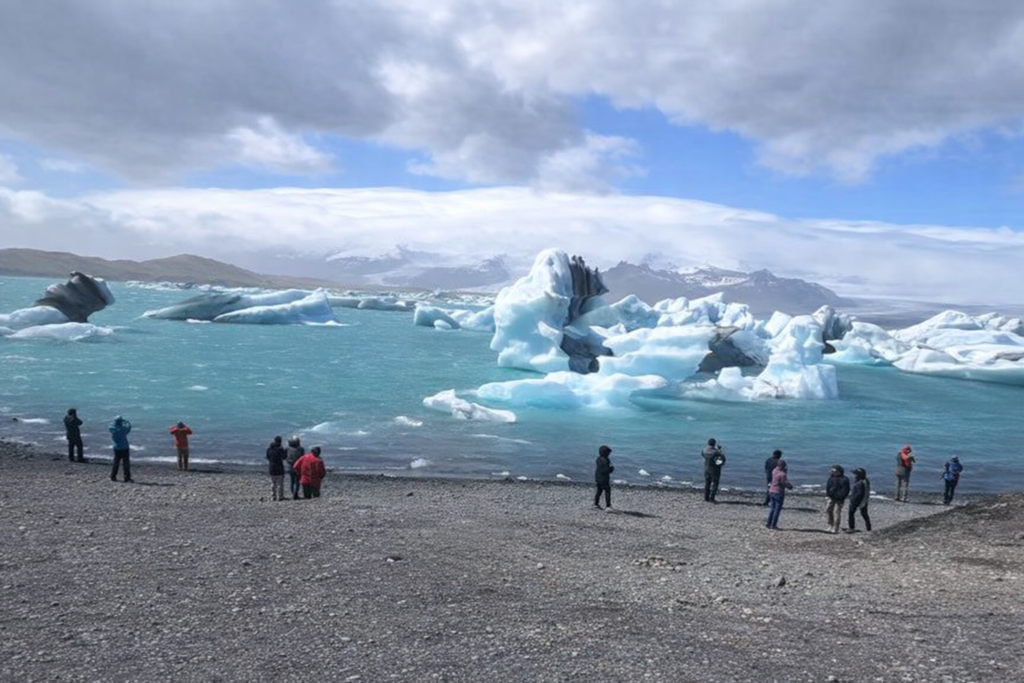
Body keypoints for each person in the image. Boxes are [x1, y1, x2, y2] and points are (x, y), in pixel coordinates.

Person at [765, 459, 793, 530]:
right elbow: (784, 483)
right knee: (777, 509)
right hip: (778, 492)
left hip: (771, 490)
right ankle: (773, 525)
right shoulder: (782, 474)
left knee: (772, 508)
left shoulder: (774, 471)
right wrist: (790, 486)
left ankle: (769, 523)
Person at [824, 465, 851, 534]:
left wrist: (841, 497)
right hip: (831, 497)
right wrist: (828, 494)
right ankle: (830, 525)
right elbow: (828, 486)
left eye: (834, 471)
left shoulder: (844, 479)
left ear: (839, 472)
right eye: (832, 471)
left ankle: (835, 528)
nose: (832, 472)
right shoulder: (831, 478)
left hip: (839, 499)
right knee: (828, 510)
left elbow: (846, 490)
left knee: (837, 512)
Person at [847, 467, 872, 532]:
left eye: (855, 474)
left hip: (858, 501)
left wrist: (853, 501)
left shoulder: (860, 483)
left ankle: (851, 528)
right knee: (864, 514)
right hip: (864, 500)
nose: (854, 475)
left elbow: (859, 494)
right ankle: (868, 527)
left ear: (859, 475)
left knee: (851, 513)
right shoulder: (865, 481)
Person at [109, 415, 132, 483]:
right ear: (121, 422)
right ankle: (126, 477)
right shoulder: (123, 429)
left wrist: (116, 422)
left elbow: (110, 425)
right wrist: (126, 422)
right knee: (126, 463)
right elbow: (129, 427)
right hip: (124, 447)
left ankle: (113, 476)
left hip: (116, 447)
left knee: (116, 462)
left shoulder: (112, 428)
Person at [701, 438, 726, 503]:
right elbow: (722, 458)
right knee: (715, 483)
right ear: (714, 444)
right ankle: (712, 498)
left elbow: (703, 455)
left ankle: (706, 498)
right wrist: (719, 450)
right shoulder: (716, 452)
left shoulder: (704, 450)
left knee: (707, 483)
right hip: (714, 469)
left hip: (706, 468)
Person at [266, 435, 288, 501]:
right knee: (280, 484)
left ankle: (273, 496)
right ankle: (280, 496)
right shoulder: (280, 449)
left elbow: (268, 457)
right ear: (280, 442)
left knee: (273, 483)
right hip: (279, 467)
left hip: (271, 467)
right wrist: (286, 451)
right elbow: (284, 457)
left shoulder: (269, 449)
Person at [593, 444, 614, 510]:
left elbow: (600, 468)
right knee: (607, 491)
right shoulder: (606, 460)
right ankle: (608, 506)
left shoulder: (598, 459)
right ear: (606, 453)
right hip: (604, 479)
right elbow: (606, 470)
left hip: (598, 477)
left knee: (599, 491)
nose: (609, 455)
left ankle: (595, 504)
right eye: (608, 453)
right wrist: (611, 469)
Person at [286, 436, 304, 500]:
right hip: (298, 467)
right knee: (297, 481)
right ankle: (296, 494)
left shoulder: (287, 449)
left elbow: (285, 457)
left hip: (290, 467)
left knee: (292, 481)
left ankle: (293, 493)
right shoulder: (301, 449)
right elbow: (302, 458)